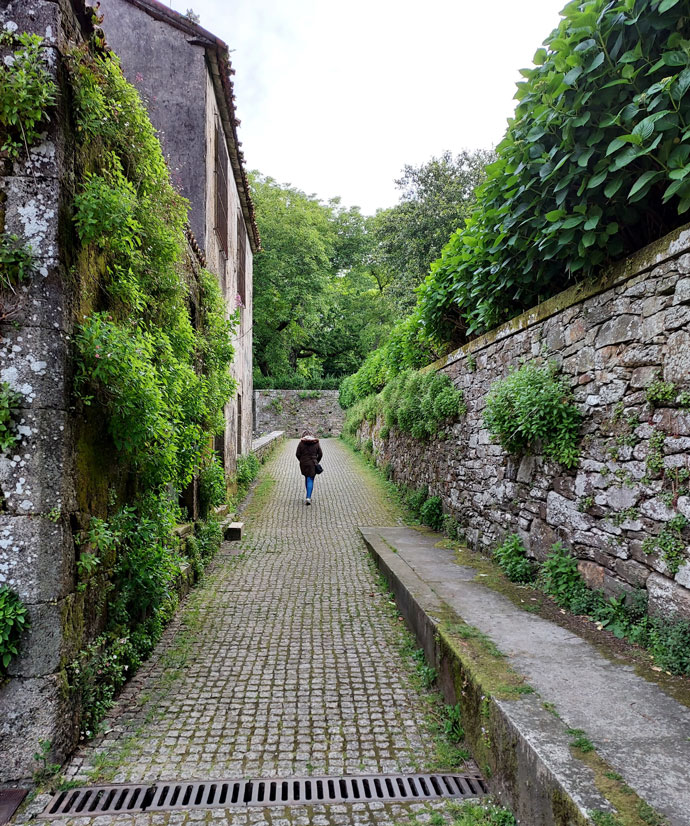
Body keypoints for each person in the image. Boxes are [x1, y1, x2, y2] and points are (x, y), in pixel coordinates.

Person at [295, 429, 322, 505]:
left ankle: (308, 495)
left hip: (304, 464)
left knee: (307, 477)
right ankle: (308, 497)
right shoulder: (316, 443)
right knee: (310, 479)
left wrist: (301, 460)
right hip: (313, 463)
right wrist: (316, 461)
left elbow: (297, 454)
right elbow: (320, 454)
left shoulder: (301, 443)